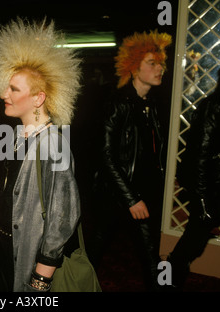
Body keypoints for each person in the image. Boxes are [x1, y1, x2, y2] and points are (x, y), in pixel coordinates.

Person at [0, 17, 82, 292]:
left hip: (30, 266)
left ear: (38, 98)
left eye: (14, 89)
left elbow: (63, 219)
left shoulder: (54, 145)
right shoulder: (16, 136)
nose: (4, 93)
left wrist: (40, 280)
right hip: (6, 253)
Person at [88, 30, 172, 291]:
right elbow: (106, 157)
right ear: (134, 68)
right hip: (113, 197)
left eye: (161, 64)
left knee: (150, 256)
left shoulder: (154, 104)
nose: (160, 69)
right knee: (92, 254)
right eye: (152, 63)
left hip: (143, 194)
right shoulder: (117, 103)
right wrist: (130, 198)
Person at [168, 51, 220, 289]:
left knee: (191, 244)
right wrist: (201, 199)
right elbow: (197, 159)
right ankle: (168, 282)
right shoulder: (215, 108)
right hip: (213, 192)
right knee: (189, 247)